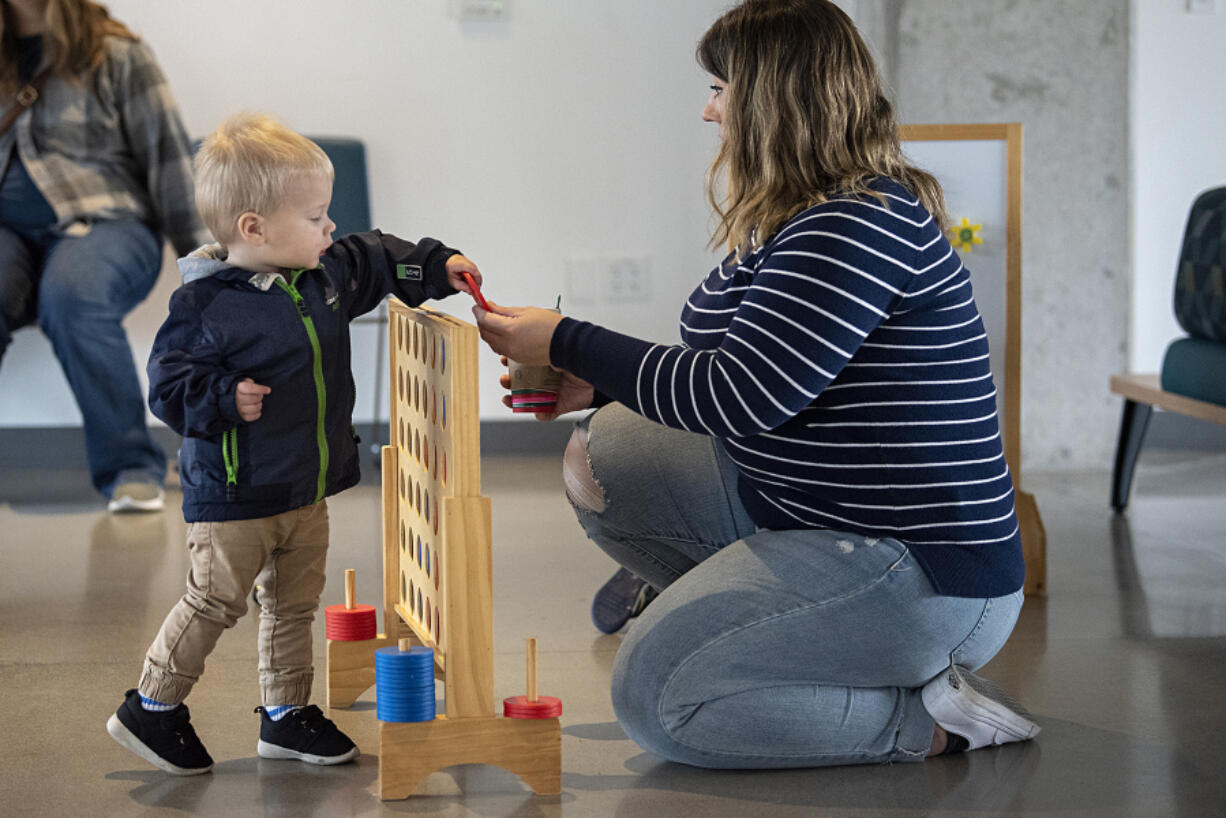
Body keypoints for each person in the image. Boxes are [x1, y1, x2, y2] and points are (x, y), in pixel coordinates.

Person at [474, 0, 1039, 769]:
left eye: (720, 87)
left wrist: (569, 339)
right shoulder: (799, 213)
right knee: (606, 452)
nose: (708, 111)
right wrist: (599, 385)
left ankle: (930, 719)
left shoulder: (855, 222)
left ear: (772, 97)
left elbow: (742, 394)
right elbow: (749, 370)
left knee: (659, 700)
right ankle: (746, 627)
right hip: (819, 514)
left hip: (921, 572)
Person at [106, 113, 484, 776]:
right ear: (254, 228)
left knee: (293, 606)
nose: (329, 228)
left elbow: (377, 254)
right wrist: (226, 398)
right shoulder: (204, 308)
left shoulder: (324, 276)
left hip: (305, 489)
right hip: (235, 495)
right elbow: (168, 388)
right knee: (215, 601)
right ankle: (153, 707)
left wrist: (436, 264)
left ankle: (285, 715)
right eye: (315, 217)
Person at [0, 0, 208, 512]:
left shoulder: (118, 53)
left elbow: (170, 163)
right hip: (8, 234)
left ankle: (131, 468)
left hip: (111, 226)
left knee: (73, 294)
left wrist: (207, 274)